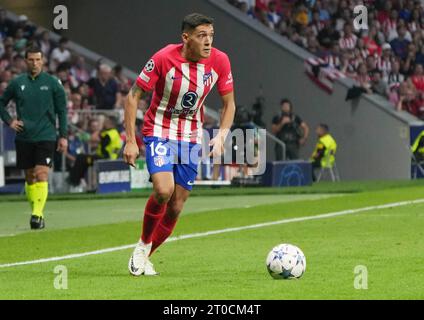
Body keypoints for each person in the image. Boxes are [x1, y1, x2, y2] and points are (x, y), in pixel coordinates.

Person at [124, 13, 235, 276]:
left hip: (191, 136)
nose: (208, 42)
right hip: (159, 130)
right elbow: (133, 96)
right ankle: (142, 245)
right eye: (201, 36)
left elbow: (229, 103)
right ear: (186, 38)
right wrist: (130, 140)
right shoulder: (163, 58)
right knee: (164, 191)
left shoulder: (220, 60)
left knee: (175, 207)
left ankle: (145, 254)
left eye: (211, 35)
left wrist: (221, 135)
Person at [0, 46, 68, 229]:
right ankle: (37, 212)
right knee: (30, 177)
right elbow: (1, 103)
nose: (35, 63)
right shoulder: (17, 83)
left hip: (46, 135)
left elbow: (62, 111)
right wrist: (9, 121)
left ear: (43, 61)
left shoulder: (53, 83)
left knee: (41, 173)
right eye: (31, 60)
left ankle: (36, 215)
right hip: (24, 136)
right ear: (25, 61)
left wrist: (63, 136)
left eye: (38, 59)